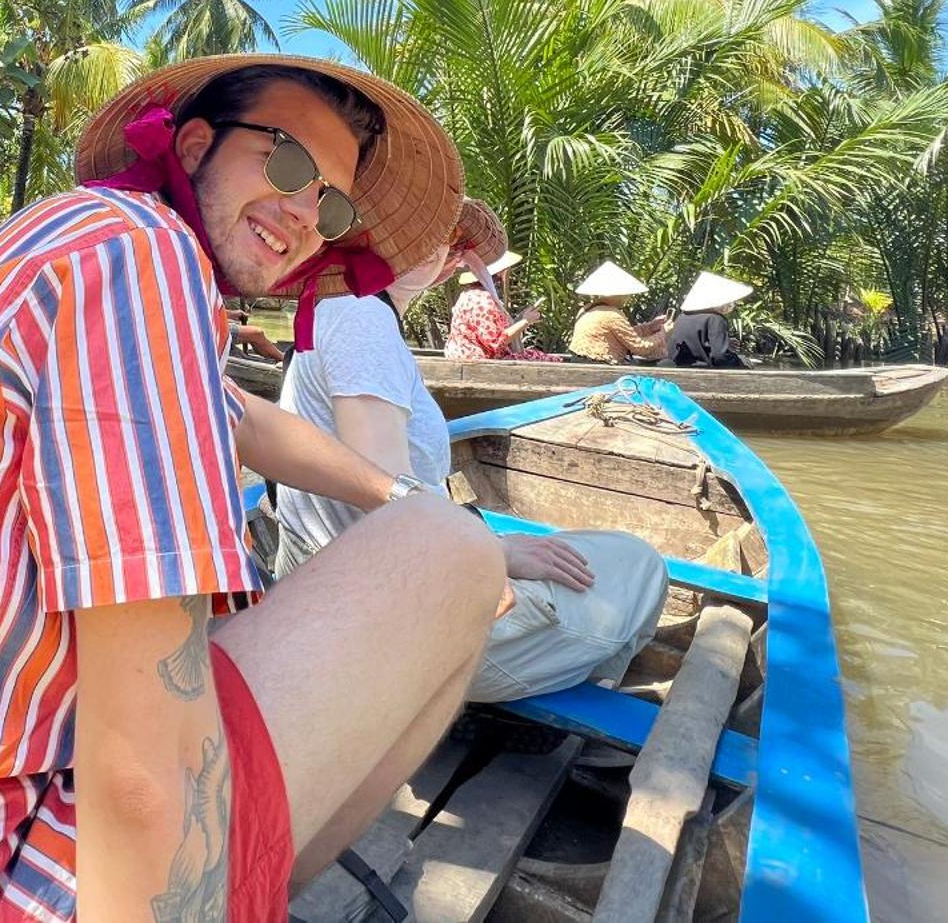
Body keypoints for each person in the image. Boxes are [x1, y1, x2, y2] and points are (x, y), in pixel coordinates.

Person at [0, 55, 511, 922]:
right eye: (284, 162)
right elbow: (142, 777)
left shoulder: (85, 239)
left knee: (412, 532)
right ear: (198, 142)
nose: (302, 212)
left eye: (331, 203)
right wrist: (434, 523)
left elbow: (239, 415)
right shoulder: (144, 256)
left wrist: (398, 498)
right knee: (454, 554)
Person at [269, 200, 670, 705]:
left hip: (346, 589)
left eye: (446, 238)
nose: (440, 249)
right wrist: (493, 553)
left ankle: (560, 672)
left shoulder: (338, 304)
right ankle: (584, 685)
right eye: (415, 225)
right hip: (383, 621)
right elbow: (383, 489)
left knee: (595, 550)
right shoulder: (360, 313)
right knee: (642, 563)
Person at [442, 201, 561, 361]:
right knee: (551, 361)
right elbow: (496, 343)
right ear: (498, 273)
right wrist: (526, 321)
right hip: (478, 359)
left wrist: (520, 319)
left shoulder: (470, 295)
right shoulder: (483, 300)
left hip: (469, 356)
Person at [566, 260, 669, 363]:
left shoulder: (586, 309)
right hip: (599, 365)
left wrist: (650, 327)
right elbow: (640, 347)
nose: (628, 298)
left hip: (578, 361)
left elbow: (623, 334)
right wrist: (662, 333)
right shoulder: (612, 315)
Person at [670, 270, 754, 368]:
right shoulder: (715, 319)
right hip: (704, 373)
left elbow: (695, 343)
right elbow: (720, 356)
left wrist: (725, 342)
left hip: (679, 368)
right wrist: (740, 362)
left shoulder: (682, 317)